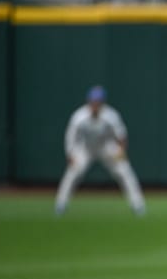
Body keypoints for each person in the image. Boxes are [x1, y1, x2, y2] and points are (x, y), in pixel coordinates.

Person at [55, 85, 146, 216]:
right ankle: (61, 204)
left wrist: (121, 150)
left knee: (124, 170)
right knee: (72, 173)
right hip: (86, 148)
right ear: (89, 101)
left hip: (106, 147)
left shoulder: (110, 116)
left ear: (103, 102)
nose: (95, 104)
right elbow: (70, 136)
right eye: (93, 101)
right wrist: (70, 153)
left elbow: (121, 135)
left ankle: (138, 205)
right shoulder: (79, 116)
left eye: (98, 101)